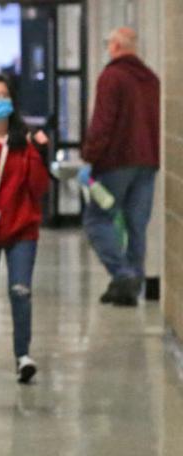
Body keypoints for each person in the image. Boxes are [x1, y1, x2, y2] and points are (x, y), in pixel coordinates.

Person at [0, 75, 51, 384]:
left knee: (20, 291)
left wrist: (41, 155)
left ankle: (23, 355)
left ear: (12, 103)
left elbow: (39, 188)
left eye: (2, 96)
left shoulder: (25, 143)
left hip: (21, 227)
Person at [82, 27, 160, 307]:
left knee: (97, 220)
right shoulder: (151, 79)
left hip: (115, 162)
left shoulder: (112, 76)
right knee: (136, 225)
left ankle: (123, 273)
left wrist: (89, 155)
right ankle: (131, 284)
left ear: (115, 45)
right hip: (148, 161)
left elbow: (102, 123)